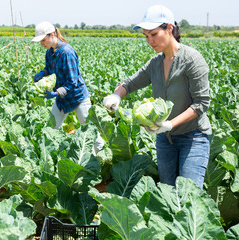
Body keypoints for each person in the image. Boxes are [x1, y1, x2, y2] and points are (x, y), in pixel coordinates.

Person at [103, 5, 211, 189]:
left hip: (193, 137)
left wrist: (170, 124)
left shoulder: (192, 59)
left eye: (153, 34)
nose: (149, 40)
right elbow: (128, 84)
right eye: (146, 36)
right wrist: (116, 96)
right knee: (168, 194)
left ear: (169, 28)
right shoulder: (155, 63)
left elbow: (201, 103)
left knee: (189, 196)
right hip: (165, 139)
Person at [32, 21, 104, 153]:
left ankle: (104, 157)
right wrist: (43, 73)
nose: (42, 44)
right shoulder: (49, 52)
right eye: (40, 41)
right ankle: (48, 157)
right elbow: (50, 68)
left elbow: (72, 82)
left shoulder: (67, 52)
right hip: (62, 99)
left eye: (43, 40)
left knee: (91, 133)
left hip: (77, 97)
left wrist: (56, 93)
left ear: (52, 35)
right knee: (50, 129)